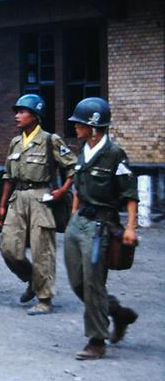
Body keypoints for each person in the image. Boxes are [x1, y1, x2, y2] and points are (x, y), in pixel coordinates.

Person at [63, 97, 139, 360]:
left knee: (94, 282)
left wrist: (130, 227)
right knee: (77, 281)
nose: (75, 127)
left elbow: (130, 193)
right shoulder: (83, 149)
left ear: (93, 127)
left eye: (80, 123)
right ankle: (118, 313)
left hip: (101, 225)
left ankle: (96, 341)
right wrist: (73, 214)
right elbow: (78, 185)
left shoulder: (115, 154)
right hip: (79, 222)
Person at [0, 94, 76, 315]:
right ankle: (32, 279)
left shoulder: (51, 140)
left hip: (42, 197)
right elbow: (8, 177)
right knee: (9, 249)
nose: (17, 116)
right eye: (17, 112)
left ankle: (44, 298)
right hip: (18, 197)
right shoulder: (15, 142)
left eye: (22, 111)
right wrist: (2, 205)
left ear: (35, 115)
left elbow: (72, 168)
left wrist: (62, 191)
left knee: (43, 250)